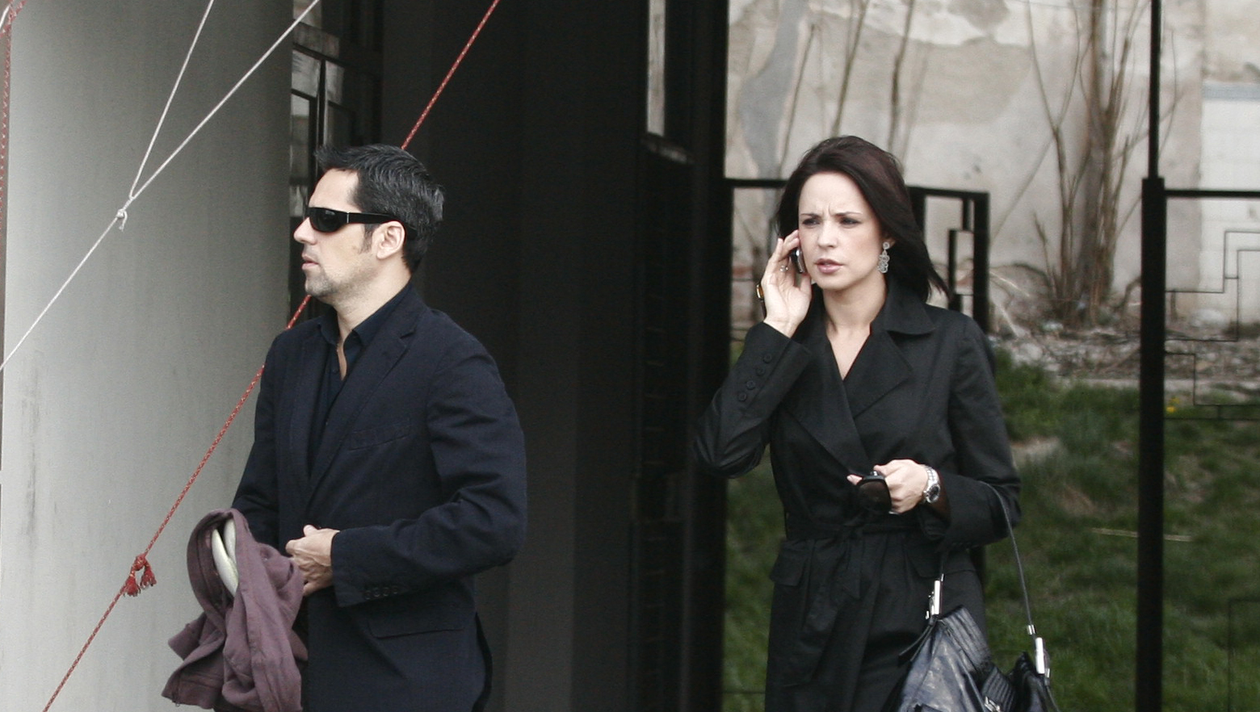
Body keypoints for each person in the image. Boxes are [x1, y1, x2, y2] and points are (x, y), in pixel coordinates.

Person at [693, 136, 1019, 712]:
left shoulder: (948, 342)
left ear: (886, 232)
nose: (826, 239)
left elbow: (1001, 502)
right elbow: (721, 454)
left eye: (848, 220)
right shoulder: (787, 345)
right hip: (814, 614)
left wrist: (931, 487)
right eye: (810, 222)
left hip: (920, 615)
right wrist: (776, 328)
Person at [232, 144, 527, 712]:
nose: (302, 232)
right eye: (306, 214)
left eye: (326, 219)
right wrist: (241, 566)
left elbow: (494, 521)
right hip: (288, 674)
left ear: (388, 239)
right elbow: (260, 500)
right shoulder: (292, 354)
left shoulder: (452, 361)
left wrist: (347, 557)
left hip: (406, 682)